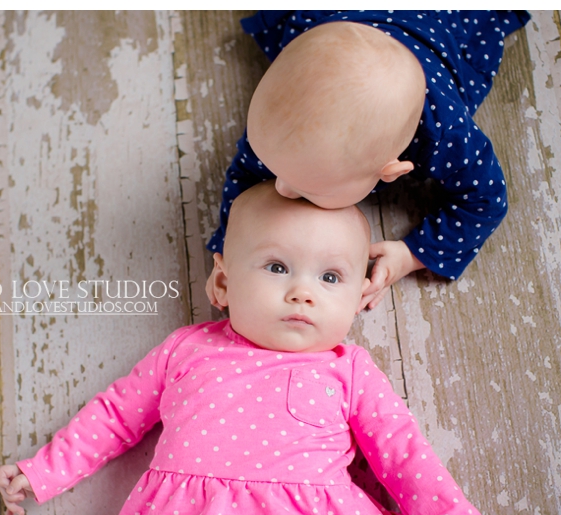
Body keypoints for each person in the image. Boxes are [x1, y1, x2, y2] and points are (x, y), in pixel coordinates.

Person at [0, 182, 515, 515]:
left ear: (362, 297)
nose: (302, 291)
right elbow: (112, 417)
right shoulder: (186, 351)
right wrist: (42, 469)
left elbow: (407, 460)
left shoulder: (349, 370)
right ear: (222, 284)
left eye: (330, 277)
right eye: (276, 267)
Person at [205, 10, 530, 310]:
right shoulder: (281, 122)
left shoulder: (447, 135)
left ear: (390, 171)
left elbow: (485, 199)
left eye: (311, 189)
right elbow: (245, 173)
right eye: (271, 164)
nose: (282, 188)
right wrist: (230, 250)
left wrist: (412, 254)